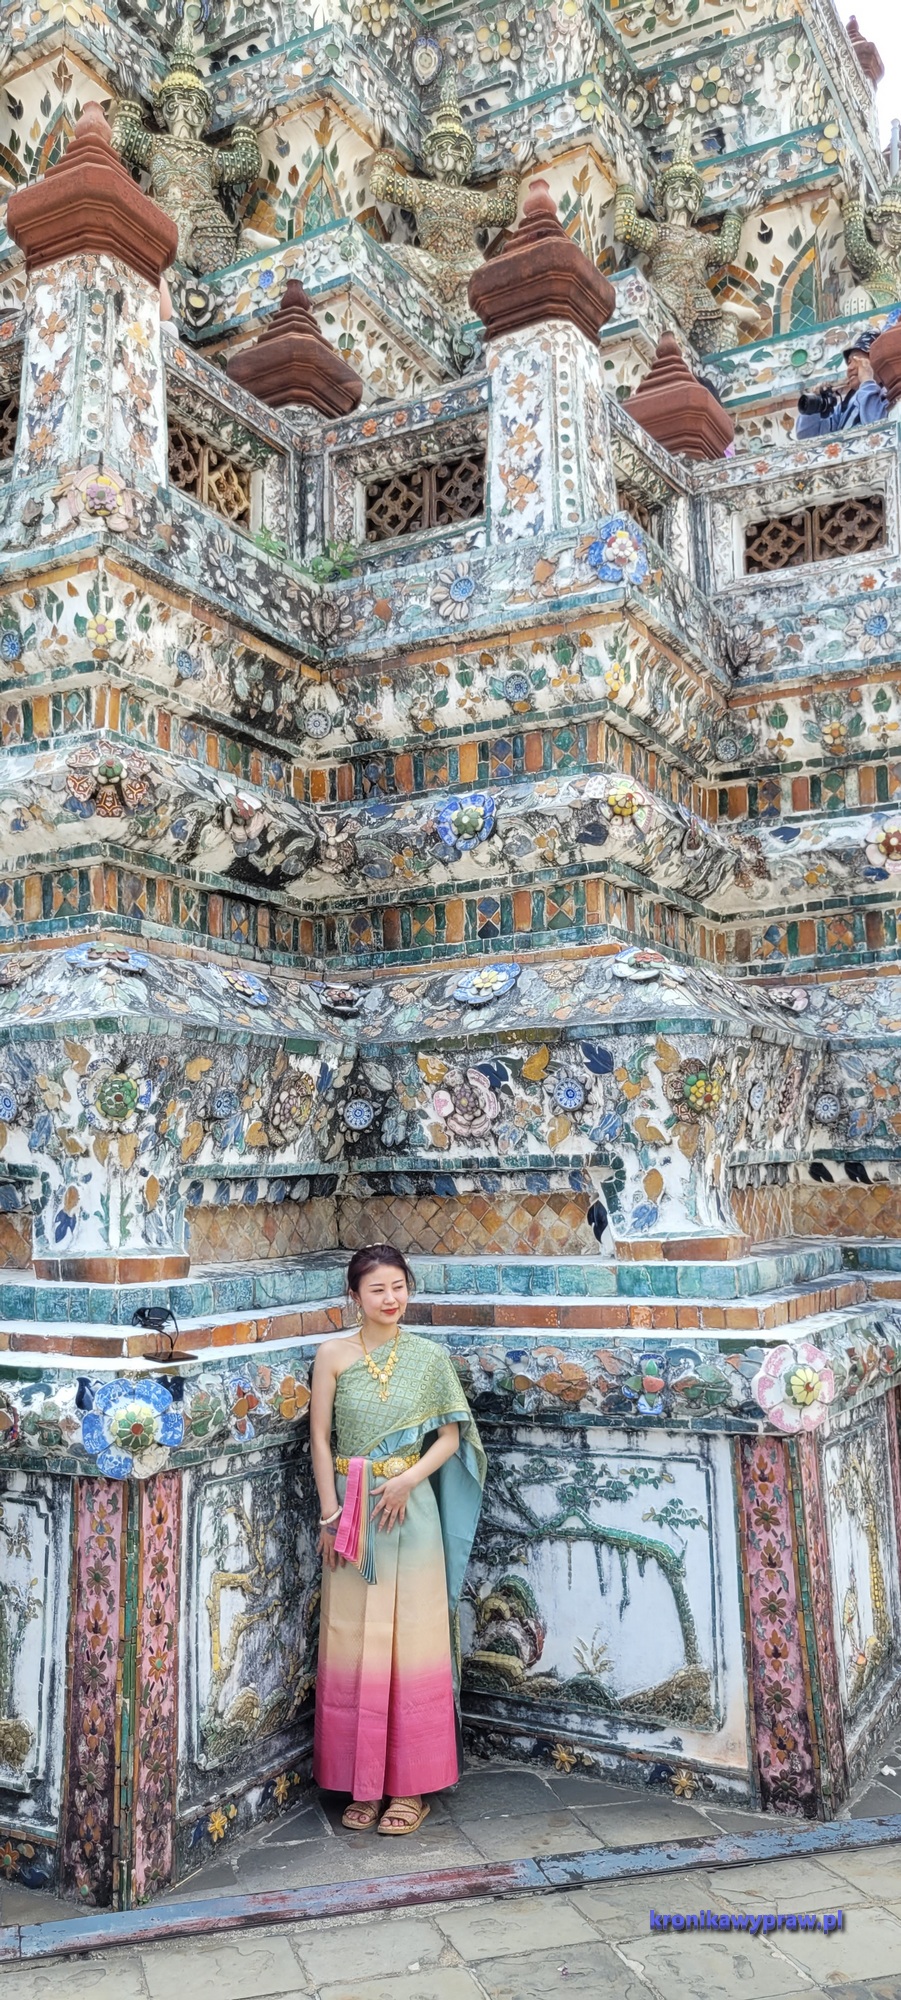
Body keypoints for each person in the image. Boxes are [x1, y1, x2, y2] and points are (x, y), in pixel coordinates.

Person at [310, 1243, 486, 1835]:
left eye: (399, 1286)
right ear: (354, 1296)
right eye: (378, 1289)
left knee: (414, 1642)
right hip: (352, 1511)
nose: (391, 1299)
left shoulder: (429, 1358)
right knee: (353, 1640)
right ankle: (361, 1784)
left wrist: (409, 1480)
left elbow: (451, 1438)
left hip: (410, 1510)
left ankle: (410, 1788)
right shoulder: (333, 1355)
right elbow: (320, 1439)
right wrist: (330, 1513)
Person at [795, 330, 888, 436]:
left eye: (857, 360)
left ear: (877, 360)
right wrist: (815, 403)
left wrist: (867, 381)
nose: (849, 368)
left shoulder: (891, 392)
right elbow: (806, 436)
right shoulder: (847, 404)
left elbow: (877, 430)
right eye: (849, 362)